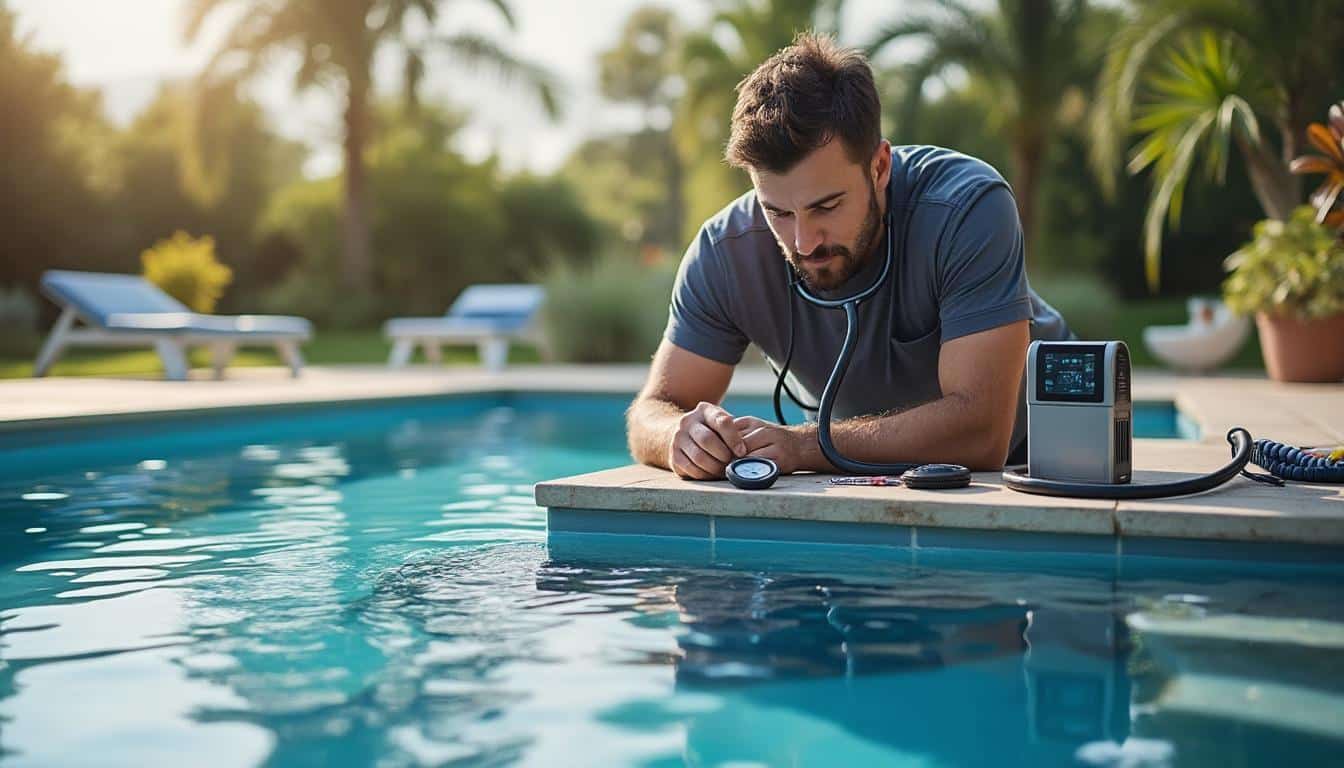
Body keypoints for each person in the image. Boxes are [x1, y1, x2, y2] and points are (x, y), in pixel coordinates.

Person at [626, 33, 1070, 480]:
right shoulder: (725, 251)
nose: (803, 242)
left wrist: (804, 445)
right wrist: (679, 435)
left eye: (826, 206)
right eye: (778, 212)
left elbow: (982, 434)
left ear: (880, 167)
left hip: (1049, 452)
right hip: (874, 471)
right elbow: (653, 410)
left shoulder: (966, 207)